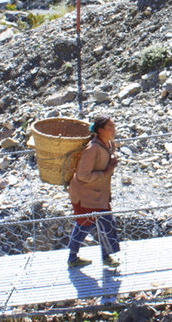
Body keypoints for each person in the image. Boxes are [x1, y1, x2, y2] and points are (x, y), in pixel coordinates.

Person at [67, 114, 121, 268]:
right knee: (85, 224)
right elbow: (83, 175)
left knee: (105, 223)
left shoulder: (108, 144)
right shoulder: (92, 149)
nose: (113, 130)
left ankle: (106, 256)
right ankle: (73, 257)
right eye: (110, 127)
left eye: (114, 126)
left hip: (98, 194)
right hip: (85, 195)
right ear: (100, 130)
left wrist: (110, 161)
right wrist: (106, 172)